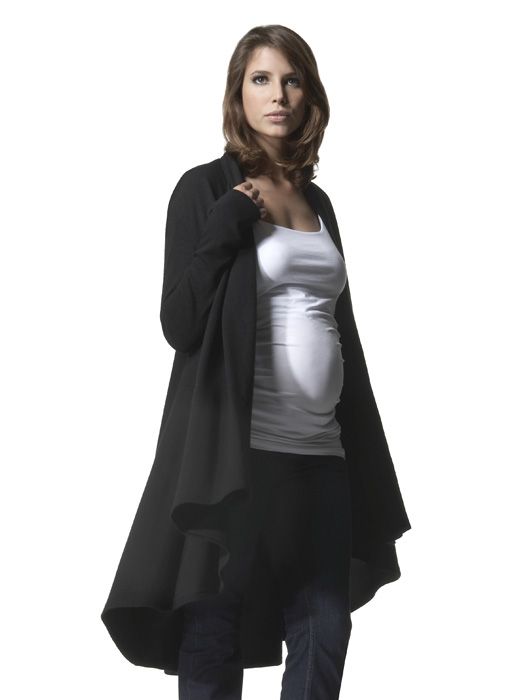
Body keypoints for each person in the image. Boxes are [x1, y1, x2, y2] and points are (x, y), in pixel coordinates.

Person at [100, 24, 412, 700]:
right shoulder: (203, 189)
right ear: (237, 94)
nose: (278, 95)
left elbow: (337, 325)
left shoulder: (318, 203)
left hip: (321, 458)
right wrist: (223, 227)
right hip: (239, 460)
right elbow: (179, 323)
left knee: (323, 634)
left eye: (291, 80)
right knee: (214, 632)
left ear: (310, 96)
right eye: (261, 79)